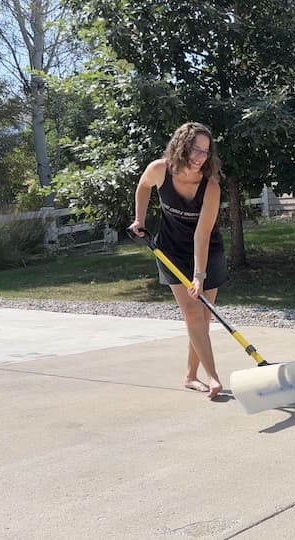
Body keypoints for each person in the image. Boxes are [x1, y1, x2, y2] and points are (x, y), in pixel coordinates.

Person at [129, 122, 228, 399]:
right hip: (170, 250)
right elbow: (143, 186)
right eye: (195, 149)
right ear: (181, 146)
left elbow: (202, 234)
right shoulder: (160, 169)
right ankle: (213, 377)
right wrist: (139, 218)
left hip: (207, 252)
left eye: (206, 151)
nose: (200, 157)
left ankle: (190, 376)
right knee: (192, 314)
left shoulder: (210, 187)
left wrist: (199, 274)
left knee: (203, 318)